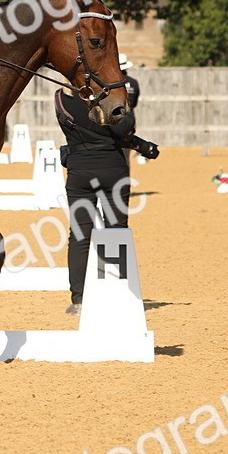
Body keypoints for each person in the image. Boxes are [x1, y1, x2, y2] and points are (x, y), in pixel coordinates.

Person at [55, 88, 157, 316]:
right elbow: (124, 129)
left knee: (80, 235)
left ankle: (79, 300)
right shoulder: (113, 100)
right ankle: (119, 292)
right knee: (117, 232)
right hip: (113, 170)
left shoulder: (61, 99)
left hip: (79, 172)